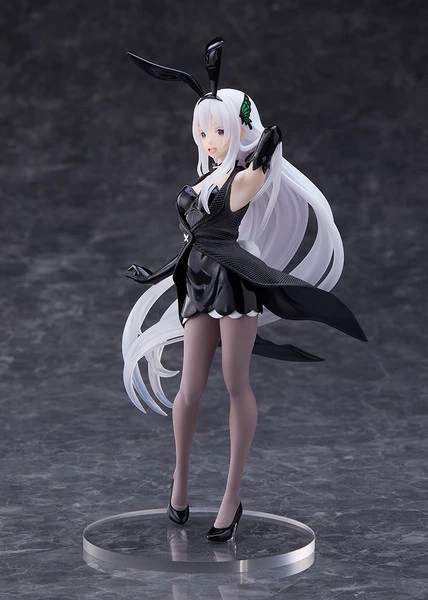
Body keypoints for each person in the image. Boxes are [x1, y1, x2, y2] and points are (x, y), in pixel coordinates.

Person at [122, 39, 367, 542]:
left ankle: (231, 496)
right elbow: (193, 243)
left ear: (237, 131)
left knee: (236, 384)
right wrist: (153, 274)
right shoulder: (202, 183)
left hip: (234, 286)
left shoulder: (242, 180)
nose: (211, 140)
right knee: (190, 388)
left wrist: (254, 131)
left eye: (220, 131)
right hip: (196, 284)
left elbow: (266, 152)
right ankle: (180, 482)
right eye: (204, 132)